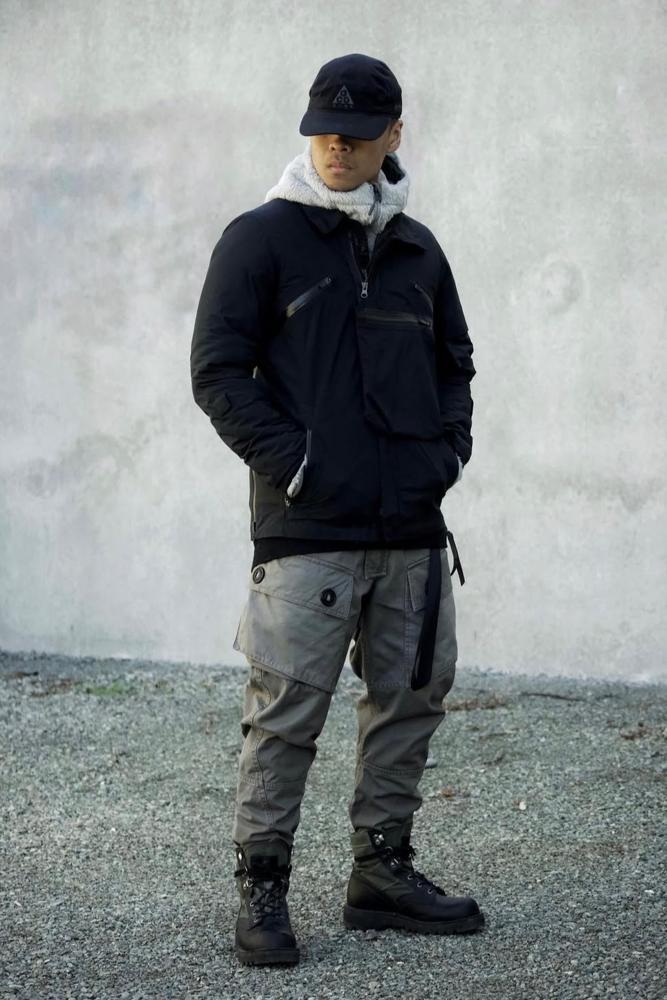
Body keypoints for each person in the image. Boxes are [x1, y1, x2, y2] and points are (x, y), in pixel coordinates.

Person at [190, 52, 483, 967]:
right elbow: (216, 373)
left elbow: (455, 367)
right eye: (323, 130)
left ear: (393, 135)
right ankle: (262, 889)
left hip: (410, 531)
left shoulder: (418, 251)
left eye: (357, 135)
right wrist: (298, 469)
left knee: (409, 701)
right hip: (307, 531)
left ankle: (381, 875)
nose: (337, 148)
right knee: (285, 713)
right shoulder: (260, 239)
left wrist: (444, 458)